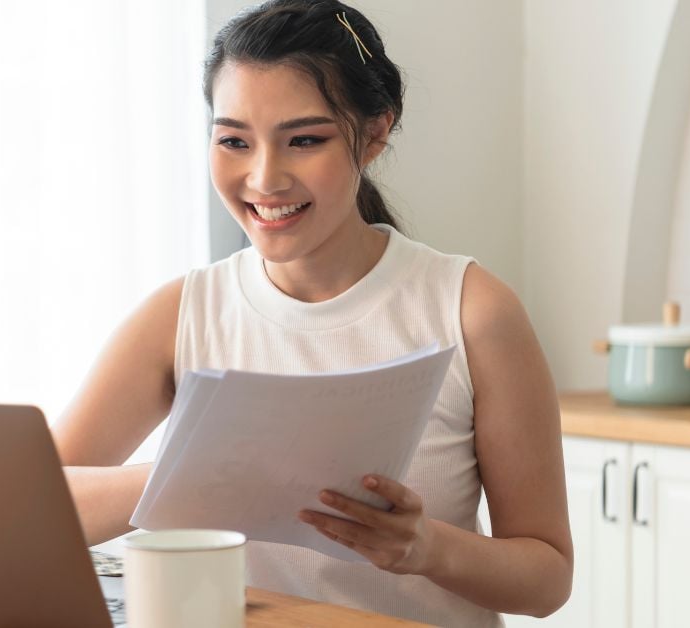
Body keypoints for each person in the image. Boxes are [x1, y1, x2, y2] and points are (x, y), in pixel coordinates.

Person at [50, 1, 572, 625]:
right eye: (234, 141)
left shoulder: (472, 311)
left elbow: (546, 580)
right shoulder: (182, 314)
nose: (265, 179)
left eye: (304, 140)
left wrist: (425, 547)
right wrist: (194, 473)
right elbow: (35, 505)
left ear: (374, 133)